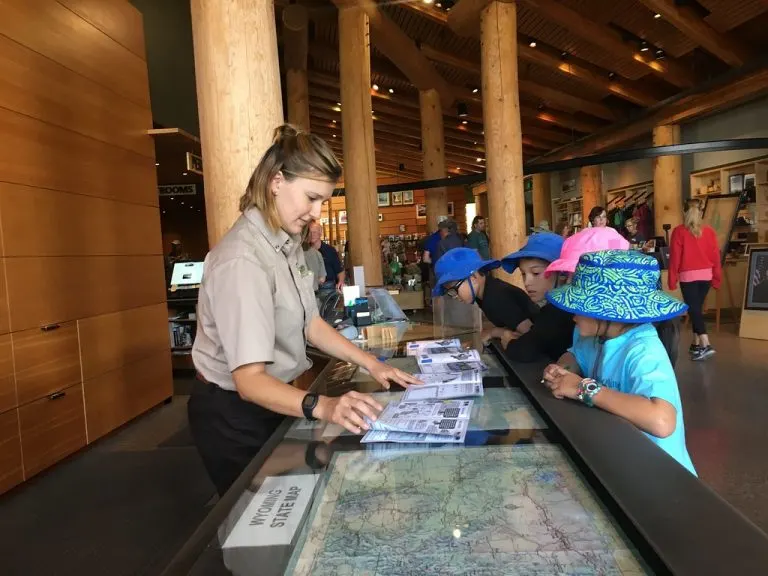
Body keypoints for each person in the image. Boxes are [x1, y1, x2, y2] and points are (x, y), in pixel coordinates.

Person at [188, 125, 420, 495]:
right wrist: (325, 407)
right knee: (257, 519)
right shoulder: (242, 260)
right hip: (232, 413)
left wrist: (372, 363)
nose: (317, 213)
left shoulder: (287, 242)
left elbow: (310, 323)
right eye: (312, 198)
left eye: (324, 202)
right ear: (276, 181)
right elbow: (249, 382)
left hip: (269, 400)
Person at [542, 250, 696, 476]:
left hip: (662, 474)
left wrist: (582, 388)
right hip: (624, 460)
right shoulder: (593, 337)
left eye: (580, 309)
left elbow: (662, 420)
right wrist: (561, 371)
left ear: (607, 312)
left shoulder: (644, 351)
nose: (573, 316)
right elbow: (574, 357)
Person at [496, 232, 574, 361]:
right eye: (523, 274)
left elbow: (524, 351)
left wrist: (509, 341)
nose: (527, 282)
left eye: (536, 273)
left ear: (562, 273)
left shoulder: (557, 312)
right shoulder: (554, 307)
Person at [433, 248, 538, 337]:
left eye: (453, 289)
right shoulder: (483, 294)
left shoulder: (497, 297)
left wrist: (494, 332)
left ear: (473, 277)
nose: (454, 296)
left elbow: (531, 335)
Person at [668, 199, 722, 361]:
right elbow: (716, 257)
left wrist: (672, 279)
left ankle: (705, 343)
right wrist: (717, 278)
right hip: (706, 275)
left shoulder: (679, 231)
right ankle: (696, 343)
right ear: (701, 212)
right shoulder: (709, 231)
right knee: (696, 308)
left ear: (684, 212)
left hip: (688, 276)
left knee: (694, 310)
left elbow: (675, 259)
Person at [312, 223, 344, 292]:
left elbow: (340, 270)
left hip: (328, 286)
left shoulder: (330, 250)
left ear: (320, 233)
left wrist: (341, 282)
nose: (312, 234)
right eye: (310, 232)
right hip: (311, 287)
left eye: (314, 232)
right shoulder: (305, 252)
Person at [304, 222, 326, 290]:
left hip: (304, 293)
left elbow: (302, 276)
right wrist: (314, 281)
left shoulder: (296, 255)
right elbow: (322, 279)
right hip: (315, 292)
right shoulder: (317, 253)